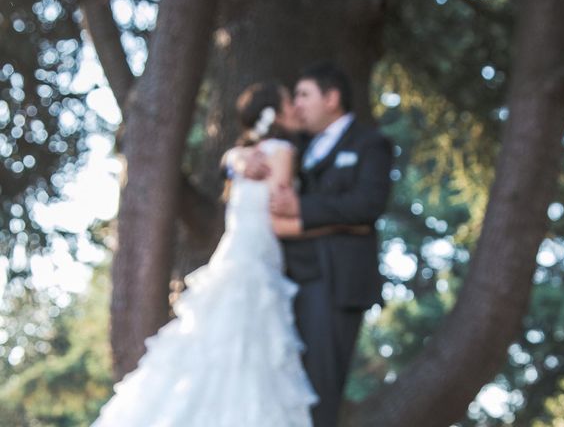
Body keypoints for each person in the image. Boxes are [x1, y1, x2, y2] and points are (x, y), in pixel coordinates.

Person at [91, 82, 317, 427]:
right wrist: (338, 224)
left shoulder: (244, 158)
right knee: (251, 358)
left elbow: (241, 176)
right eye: (290, 102)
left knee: (212, 351)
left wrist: (233, 158)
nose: (296, 109)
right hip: (256, 262)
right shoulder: (281, 150)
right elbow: (278, 213)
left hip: (234, 258)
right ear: (275, 114)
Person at [241, 62, 393, 426]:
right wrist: (234, 159)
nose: (296, 105)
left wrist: (302, 209)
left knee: (318, 391)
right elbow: (244, 151)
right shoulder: (295, 144)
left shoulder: (370, 143)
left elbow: (367, 205)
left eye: (304, 95)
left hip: (334, 282)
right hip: (286, 282)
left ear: (332, 98)